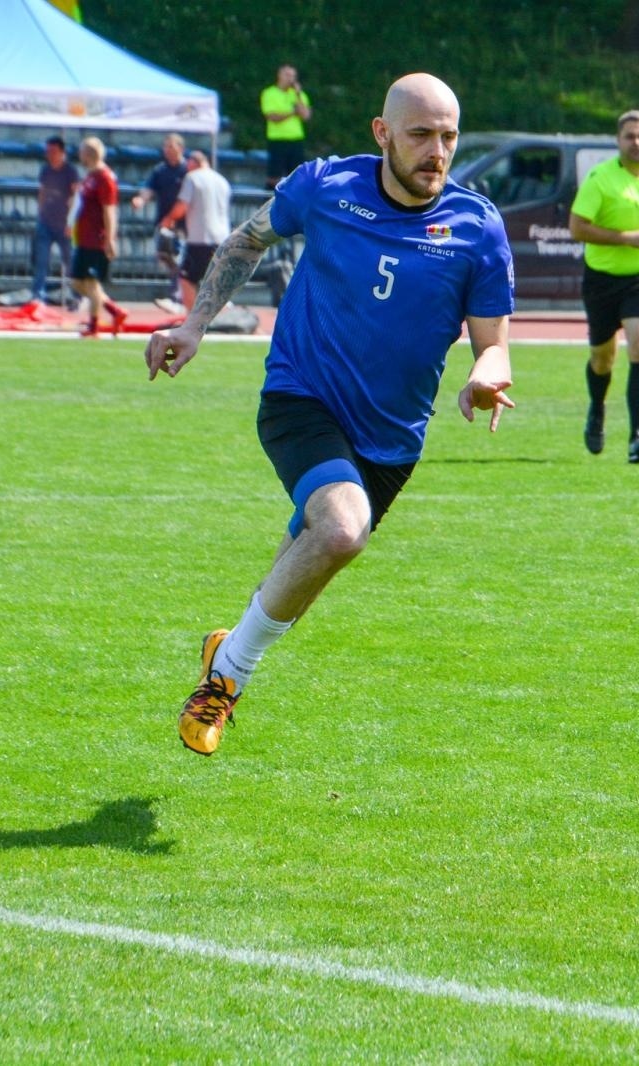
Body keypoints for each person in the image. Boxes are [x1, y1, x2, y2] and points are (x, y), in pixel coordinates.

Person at [143, 73, 515, 757]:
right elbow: (246, 241)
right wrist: (194, 324)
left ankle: (226, 651)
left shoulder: (478, 228)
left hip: (391, 440)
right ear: (382, 133)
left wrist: (485, 376)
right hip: (302, 398)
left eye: (449, 137)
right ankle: (227, 678)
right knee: (343, 531)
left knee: (305, 565)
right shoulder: (325, 186)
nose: (437, 152)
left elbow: (494, 346)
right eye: (421, 135)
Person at [568, 109, 639, 463]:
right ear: (618, 141)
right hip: (601, 278)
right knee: (603, 359)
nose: (637, 142)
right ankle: (597, 407)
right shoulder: (601, 179)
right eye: (630, 136)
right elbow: (577, 227)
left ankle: (637, 437)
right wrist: (624, 238)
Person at [157, 150, 229, 311]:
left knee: (187, 279)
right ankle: (218, 317)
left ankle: (192, 319)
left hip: (200, 238)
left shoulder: (193, 178)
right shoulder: (222, 180)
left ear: (194, 163)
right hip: (222, 238)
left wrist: (167, 221)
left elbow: (182, 206)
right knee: (215, 282)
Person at [71, 136, 127, 336]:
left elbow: (109, 210)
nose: (79, 156)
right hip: (84, 237)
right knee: (77, 282)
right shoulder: (91, 176)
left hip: (96, 238)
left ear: (89, 154)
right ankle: (115, 310)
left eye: (81, 152)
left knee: (91, 283)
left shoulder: (105, 178)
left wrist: (110, 239)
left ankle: (94, 327)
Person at [129, 133, 188, 310]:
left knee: (180, 259)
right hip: (163, 223)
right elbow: (149, 189)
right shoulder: (160, 170)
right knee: (168, 259)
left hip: (184, 225)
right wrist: (140, 200)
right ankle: (177, 293)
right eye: (166, 147)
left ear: (180, 148)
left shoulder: (187, 170)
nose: (167, 150)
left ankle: (177, 296)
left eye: (171, 146)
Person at [31, 135, 80, 306]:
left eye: (53, 151)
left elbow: (76, 196)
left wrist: (71, 221)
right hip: (46, 221)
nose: (50, 155)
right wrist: (40, 212)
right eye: (48, 152)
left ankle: (77, 295)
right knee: (41, 261)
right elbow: (42, 192)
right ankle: (37, 295)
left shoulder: (70, 171)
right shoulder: (45, 170)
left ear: (61, 152)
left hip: (64, 224)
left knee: (70, 260)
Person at [261, 64, 312, 189]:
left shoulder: (299, 95)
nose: (290, 79)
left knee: (297, 176)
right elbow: (272, 116)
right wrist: (292, 113)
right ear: (279, 75)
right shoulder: (269, 93)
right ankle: (269, 197)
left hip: (296, 140)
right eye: (287, 75)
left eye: (293, 76)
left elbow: (306, 115)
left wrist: (298, 94)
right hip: (278, 139)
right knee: (274, 176)